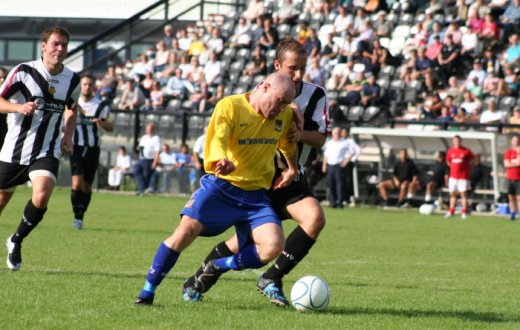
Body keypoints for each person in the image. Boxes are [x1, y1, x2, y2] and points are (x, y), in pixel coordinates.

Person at [183, 38, 330, 306]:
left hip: (290, 177)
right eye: (292, 68)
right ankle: (202, 277)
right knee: (245, 243)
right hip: (258, 178)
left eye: (302, 69)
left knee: (314, 218)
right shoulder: (263, 92)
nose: (298, 75)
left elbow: (320, 139)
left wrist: (300, 133)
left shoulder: (316, 95)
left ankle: (272, 277)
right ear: (277, 66)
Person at [134, 73, 299, 305]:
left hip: (255, 198)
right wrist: (221, 159)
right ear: (264, 87)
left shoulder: (286, 114)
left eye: (286, 103)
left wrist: (291, 167)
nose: (282, 108)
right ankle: (147, 291)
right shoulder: (230, 106)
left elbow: (288, 143)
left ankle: (218, 265)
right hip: (221, 187)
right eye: (280, 100)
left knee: (273, 246)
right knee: (184, 231)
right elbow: (217, 139)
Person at [0, 26, 80, 271]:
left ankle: (16, 240)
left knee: (42, 194)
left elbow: (72, 108)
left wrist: (67, 135)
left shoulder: (72, 79)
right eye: (56, 44)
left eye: (64, 45)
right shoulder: (24, 71)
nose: (60, 49)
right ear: (43, 46)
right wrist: (18, 108)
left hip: (46, 150)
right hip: (14, 150)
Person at [70, 75, 113, 230]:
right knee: (76, 183)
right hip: (76, 147)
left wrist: (102, 123)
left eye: (90, 84)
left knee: (87, 186)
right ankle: (77, 216)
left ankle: (81, 214)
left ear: (94, 87)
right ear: (80, 86)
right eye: (84, 84)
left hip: (93, 149)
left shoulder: (101, 105)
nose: (87, 87)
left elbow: (111, 126)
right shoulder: (73, 103)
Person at [445, 135, 474, 219]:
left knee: (463, 194)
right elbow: (448, 161)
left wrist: (467, 167)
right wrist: (454, 168)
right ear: (453, 141)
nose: (457, 142)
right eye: (455, 141)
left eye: (458, 141)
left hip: (463, 177)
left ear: (461, 141)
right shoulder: (450, 151)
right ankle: (451, 211)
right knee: (452, 194)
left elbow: (472, 160)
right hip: (453, 177)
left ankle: (464, 212)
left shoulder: (466, 151)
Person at [321, 127, 350, 208]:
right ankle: (333, 202)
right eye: (334, 133)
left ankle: (340, 202)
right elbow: (326, 155)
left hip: (339, 166)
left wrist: (346, 161)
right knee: (331, 184)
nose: (336, 135)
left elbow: (352, 152)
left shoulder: (344, 143)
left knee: (339, 185)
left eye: (337, 133)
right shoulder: (329, 143)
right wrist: (324, 165)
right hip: (330, 166)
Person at [133, 123, 161, 196]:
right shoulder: (144, 137)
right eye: (148, 129)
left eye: (150, 129)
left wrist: (155, 161)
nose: (149, 130)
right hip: (142, 159)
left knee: (146, 176)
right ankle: (142, 189)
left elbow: (157, 151)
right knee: (136, 170)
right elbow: (140, 147)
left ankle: (141, 190)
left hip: (149, 160)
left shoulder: (156, 138)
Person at [340, 127, 361, 206]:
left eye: (344, 132)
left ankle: (348, 197)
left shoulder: (350, 141)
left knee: (348, 180)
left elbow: (358, 150)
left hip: (348, 163)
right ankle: (342, 197)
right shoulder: (340, 141)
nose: (343, 134)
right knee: (341, 180)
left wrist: (352, 159)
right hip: (340, 162)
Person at [504, 135, 520, 220]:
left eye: (517, 141)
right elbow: (506, 164)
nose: (515, 142)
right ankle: (512, 213)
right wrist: (516, 164)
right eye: (514, 141)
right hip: (510, 178)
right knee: (511, 197)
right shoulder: (508, 152)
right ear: (511, 142)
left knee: (519, 197)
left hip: (519, 178)